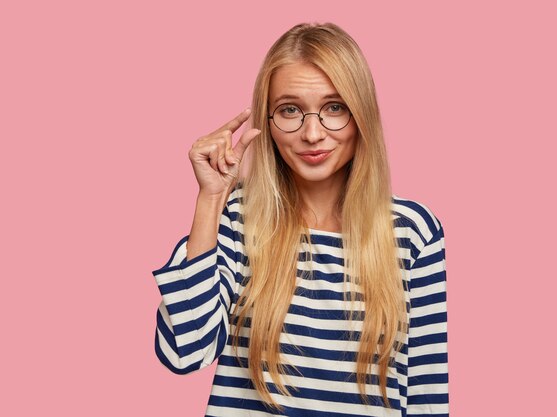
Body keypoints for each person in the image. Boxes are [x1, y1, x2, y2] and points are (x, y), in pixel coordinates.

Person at [151, 22, 449, 416]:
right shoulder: (238, 218)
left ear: (362, 116)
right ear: (268, 123)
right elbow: (185, 351)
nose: (312, 133)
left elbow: (427, 394)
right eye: (290, 110)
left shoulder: (413, 232)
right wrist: (210, 200)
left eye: (334, 108)